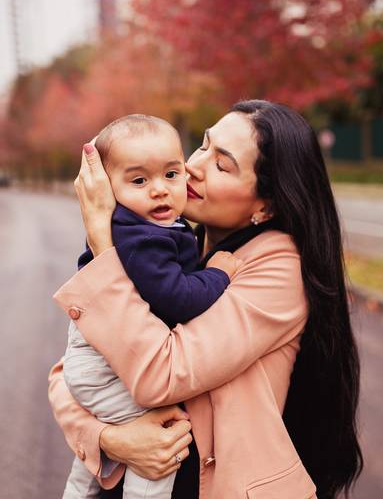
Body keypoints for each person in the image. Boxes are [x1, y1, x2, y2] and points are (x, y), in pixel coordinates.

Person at [49, 100, 363, 498]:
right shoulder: (174, 247)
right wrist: (109, 439)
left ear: (265, 206)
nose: (194, 166)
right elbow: (67, 374)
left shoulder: (278, 268)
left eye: (222, 164)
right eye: (203, 146)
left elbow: (160, 376)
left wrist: (101, 239)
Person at [62, 114, 241, 499]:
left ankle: (78, 491)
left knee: (107, 440)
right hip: (104, 365)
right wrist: (219, 275)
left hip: (103, 355)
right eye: (139, 180)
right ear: (108, 189)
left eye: (172, 175)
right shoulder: (142, 238)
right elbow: (176, 298)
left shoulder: (148, 225)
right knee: (157, 445)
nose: (160, 190)